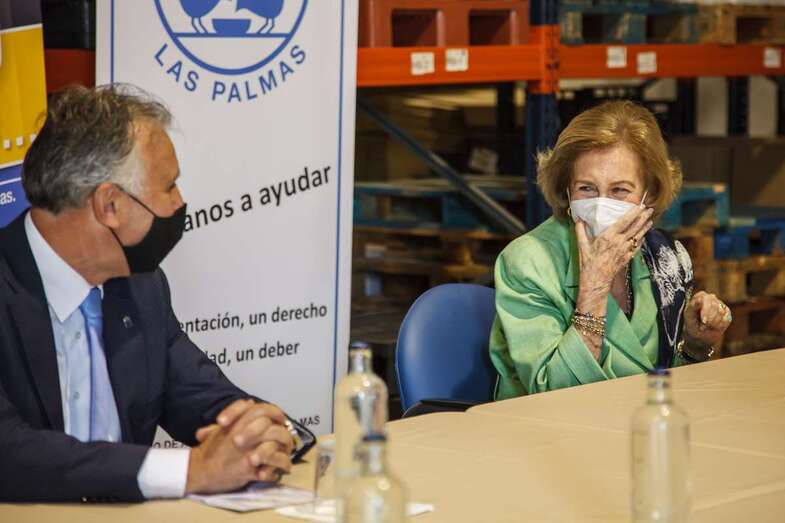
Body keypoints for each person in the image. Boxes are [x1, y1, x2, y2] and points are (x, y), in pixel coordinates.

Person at [0, 85, 313, 502]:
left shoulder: (141, 286)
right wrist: (193, 470)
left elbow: (198, 394)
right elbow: (10, 453)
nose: (180, 204)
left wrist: (264, 432)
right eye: (168, 187)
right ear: (109, 205)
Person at [489, 101, 732, 399]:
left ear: (650, 194)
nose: (600, 205)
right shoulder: (528, 262)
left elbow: (667, 386)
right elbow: (551, 394)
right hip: (548, 424)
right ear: (567, 189)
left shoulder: (666, 259)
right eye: (586, 188)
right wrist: (594, 287)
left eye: (619, 190)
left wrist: (695, 343)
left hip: (637, 419)